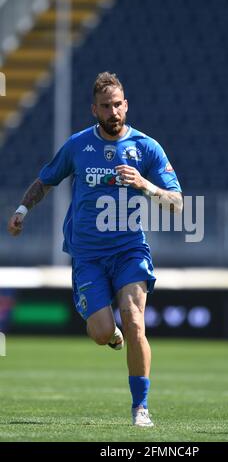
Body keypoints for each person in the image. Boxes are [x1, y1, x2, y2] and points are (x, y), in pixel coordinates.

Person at [8, 72, 182, 427]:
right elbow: (46, 180)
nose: (113, 111)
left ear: (126, 105)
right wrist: (23, 210)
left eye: (118, 104)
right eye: (106, 106)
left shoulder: (147, 148)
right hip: (88, 256)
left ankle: (141, 408)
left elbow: (178, 204)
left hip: (130, 250)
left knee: (135, 321)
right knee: (102, 332)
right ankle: (110, 334)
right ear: (95, 110)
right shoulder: (78, 146)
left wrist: (144, 184)